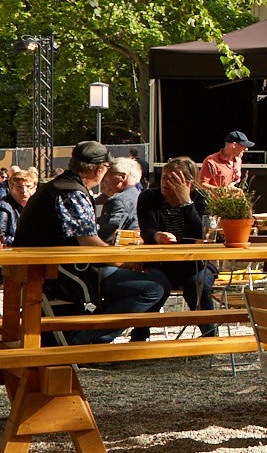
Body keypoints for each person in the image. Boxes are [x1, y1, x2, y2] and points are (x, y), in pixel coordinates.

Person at [13, 141, 170, 343]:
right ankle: (85, 340)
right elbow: (89, 242)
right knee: (153, 286)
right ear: (99, 169)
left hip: (57, 266)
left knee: (156, 279)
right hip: (59, 273)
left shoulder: (62, 186)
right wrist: (124, 262)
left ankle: (95, 333)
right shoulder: (71, 192)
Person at [134, 157, 218, 337]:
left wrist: (186, 202)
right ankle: (139, 336)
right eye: (164, 177)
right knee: (154, 284)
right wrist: (158, 236)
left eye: (173, 179)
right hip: (161, 262)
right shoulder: (149, 197)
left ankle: (210, 336)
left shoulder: (200, 199)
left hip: (196, 263)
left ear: (188, 183)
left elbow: (202, 234)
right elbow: (147, 231)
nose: (166, 182)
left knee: (197, 284)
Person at [95, 157, 142, 242]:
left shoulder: (118, 201)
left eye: (106, 174)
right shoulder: (138, 196)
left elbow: (106, 237)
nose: (102, 178)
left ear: (122, 177)